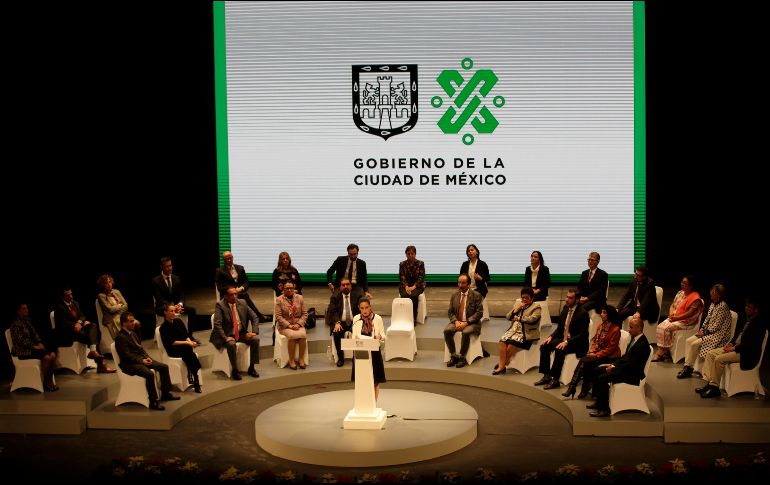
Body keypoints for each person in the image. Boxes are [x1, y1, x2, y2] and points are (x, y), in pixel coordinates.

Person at [697, 296, 767, 398]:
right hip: (736, 348)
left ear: (756, 310)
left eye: (749, 307)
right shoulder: (746, 319)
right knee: (710, 354)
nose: (746, 308)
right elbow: (738, 335)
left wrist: (733, 348)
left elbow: (749, 344)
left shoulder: (758, 324)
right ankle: (709, 383)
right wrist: (731, 343)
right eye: (746, 306)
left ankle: (714, 388)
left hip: (745, 354)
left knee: (719, 359)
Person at [586, 316, 651, 417]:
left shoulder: (642, 344)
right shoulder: (635, 339)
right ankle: (599, 402)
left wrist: (614, 368)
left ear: (639, 328)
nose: (629, 330)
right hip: (626, 369)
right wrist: (613, 364)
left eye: (631, 327)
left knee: (602, 378)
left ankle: (604, 409)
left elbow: (632, 365)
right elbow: (625, 357)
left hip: (632, 375)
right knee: (596, 370)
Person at [114, 312, 179, 410]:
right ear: (123, 323)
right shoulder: (120, 337)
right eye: (131, 321)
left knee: (163, 367)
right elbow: (126, 355)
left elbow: (140, 349)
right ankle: (153, 401)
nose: (134, 323)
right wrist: (142, 361)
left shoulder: (133, 333)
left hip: (140, 359)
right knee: (149, 374)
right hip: (129, 365)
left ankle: (165, 393)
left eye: (133, 320)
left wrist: (147, 357)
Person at [562, 305, 621, 399]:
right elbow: (595, 341)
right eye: (601, 312)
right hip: (598, 353)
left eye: (604, 312)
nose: (601, 314)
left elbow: (611, 349)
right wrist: (592, 351)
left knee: (586, 362)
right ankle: (577, 389)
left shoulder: (615, 329)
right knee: (584, 361)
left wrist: (596, 355)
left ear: (610, 315)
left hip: (610, 357)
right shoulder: (600, 326)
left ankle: (576, 388)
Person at [534, 288, 589, 389]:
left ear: (577, 300)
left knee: (559, 349)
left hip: (576, 342)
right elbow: (559, 328)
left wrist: (567, 342)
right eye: (567, 297)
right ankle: (546, 375)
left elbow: (582, 334)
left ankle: (555, 379)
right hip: (563, 338)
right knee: (544, 346)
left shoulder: (583, 313)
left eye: (570, 298)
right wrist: (550, 337)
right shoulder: (565, 309)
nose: (567, 299)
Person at [54, 286, 115, 373]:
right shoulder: (59, 307)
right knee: (93, 335)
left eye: (71, 294)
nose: (71, 297)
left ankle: (93, 351)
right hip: (68, 332)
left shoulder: (75, 303)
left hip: (79, 328)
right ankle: (100, 365)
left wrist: (80, 322)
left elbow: (82, 316)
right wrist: (76, 325)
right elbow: (63, 324)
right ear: (62, 297)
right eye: (68, 295)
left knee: (92, 325)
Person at [677, 284, 733, 379]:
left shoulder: (723, 306)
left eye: (713, 292)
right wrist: (702, 329)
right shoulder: (712, 304)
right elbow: (707, 319)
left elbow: (717, 326)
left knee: (694, 344)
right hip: (708, 332)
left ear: (719, 295)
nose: (711, 293)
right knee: (689, 341)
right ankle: (688, 367)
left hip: (718, 335)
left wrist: (705, 332)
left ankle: (688, 369)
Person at [211, 286, 261, 380]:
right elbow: (217, 325)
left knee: (255, 340)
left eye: (235, 294)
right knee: (231, 344)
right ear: (225, 296)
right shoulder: (220, 305)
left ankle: (251, 367)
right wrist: (225, 338)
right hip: (227, 334)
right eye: (231, 295)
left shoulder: (242, 302)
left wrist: (254, 332)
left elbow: (255, 317)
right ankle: (235, 369)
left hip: (240, 333)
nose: (234, 296)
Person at [653, 275, 704, 362]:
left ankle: (661, 353)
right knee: (660, 326)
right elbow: (673, 305)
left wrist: (676, 318)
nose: (682, 284)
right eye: (682, 282)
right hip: (675, 318)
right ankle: (665, 352)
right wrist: (671, 314)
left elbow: (689, 314)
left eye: (685, 283)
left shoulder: (695, 298)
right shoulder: (680, 293)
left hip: (686, 322)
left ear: (691, 285)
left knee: (666, 328)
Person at [10, 303, 58, 391]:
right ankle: (46, 382)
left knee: (53, 355)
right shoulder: (15, 324)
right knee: (47, 357)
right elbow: (20, 342)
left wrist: (39, 343)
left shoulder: (27, 320)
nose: (26, 310)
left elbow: (35, 334)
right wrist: (34, 346)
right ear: (18, 311)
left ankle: (50, 380)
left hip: (31, 348)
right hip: (22, 351)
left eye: (26, 308)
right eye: (24, 309)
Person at [493, 287, 541, 375]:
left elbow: (532, 319)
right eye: (523, 297)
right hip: (513, 331)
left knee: (511, 344)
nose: (524, 299)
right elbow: (508, 317)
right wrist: (517, 309)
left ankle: (501, 365)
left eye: (527, 297)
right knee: (502, 342)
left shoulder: (536, 307)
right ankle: (502, 365)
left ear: (532, 298)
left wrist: (520, 318)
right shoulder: (518, 304)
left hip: (526, 333)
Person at [159, 304, 202, 393]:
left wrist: (190, 342)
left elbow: (186, 335)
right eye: (171, 311)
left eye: (174, 311)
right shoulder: (163, 328)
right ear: (165, 313)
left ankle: (194, 377)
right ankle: (195, 377)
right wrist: (188, 343)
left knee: (189, 352)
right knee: (189, 352)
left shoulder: (178, 321)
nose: (174, 313)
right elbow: (172, 342)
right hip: (173, 349)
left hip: (184, 347)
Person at [152, 257, 199, 337]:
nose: (169, 268)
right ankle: (170, 337)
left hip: (177, 306)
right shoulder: (156, 281)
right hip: (163, 307)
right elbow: (159, 298)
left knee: (192, 311)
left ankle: (189, 336)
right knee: (168, 312)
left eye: (170, 266)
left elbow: (182, 294)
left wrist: (180, 304)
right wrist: (171, 307)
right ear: (162, 267)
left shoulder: (176, 278)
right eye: (167, 266)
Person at [444, 273, 484, 368]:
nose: (460, 285)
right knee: (447, 330)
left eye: (463, 283)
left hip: (472, 323)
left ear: (469, 284)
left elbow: (479, 313)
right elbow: (450, 312)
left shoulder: (476, 295)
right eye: (459, 283)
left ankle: (462, 357)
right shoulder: (454, 295)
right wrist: (456, 321)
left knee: (465, 332)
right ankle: (453, 355)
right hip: (457, 321)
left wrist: (466, 323)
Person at [216, 250, 268, 322]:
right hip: (228, 295)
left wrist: (241, 288)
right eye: (227, 259)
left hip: (240, 292)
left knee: (244, 295)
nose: (229, 260)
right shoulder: (220, 271)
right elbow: (220, 287)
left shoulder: (240, 268)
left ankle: (256, 317)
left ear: (232, 257)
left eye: (230, 258)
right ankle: (258, 316)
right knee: (244, 296)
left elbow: (246, 282)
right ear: (224, 260)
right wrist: (233, 290)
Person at [351, 298, 386, 400]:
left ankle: (374, 404)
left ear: (370, 307)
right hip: (360, 352)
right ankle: (363, 404)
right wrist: (355, 339)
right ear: (359, 309)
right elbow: (354, 335)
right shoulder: (356, 319)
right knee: (361, 381)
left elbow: (383, 335)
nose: (365, 310)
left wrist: (380, 337)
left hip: (374, 352)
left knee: (375, 381)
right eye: (362, 308)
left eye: (366, 307)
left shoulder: (378, 318)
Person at [327, 277, 361, 367]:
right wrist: (337, 322)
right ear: (340, 287)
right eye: (343, 285)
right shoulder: (335, 297)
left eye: (347, 284)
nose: (345, 286)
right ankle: (340, 358)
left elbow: (362, 309)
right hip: (340, 322)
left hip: (355, 322)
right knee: (337, 333)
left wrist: (358, 323)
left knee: (360, 333)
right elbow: (332, 311)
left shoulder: (358, 296)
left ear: (351, 286)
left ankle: (356, 356)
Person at [275, 281, 308, 370]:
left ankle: (301, 359)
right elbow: (278, 316)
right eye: (287, 288)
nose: (289, 290)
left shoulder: (300, 298)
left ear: (294, 289)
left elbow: (305, 314)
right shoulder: (279, 299)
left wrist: (298, 324)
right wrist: (289, 326)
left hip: (298, 324)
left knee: (302, 335)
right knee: (293, 336)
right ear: (283, 289)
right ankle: (291, 360)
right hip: (284, 325)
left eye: (291, 288)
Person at [96, 274, 128, 339]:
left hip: (121, 315)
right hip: (110, 319)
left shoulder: (116, 291)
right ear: (102, 285)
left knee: (134, 322)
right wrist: (119, 305)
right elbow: (110, 310)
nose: (109, 284)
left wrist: (118, 311)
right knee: (118, 321)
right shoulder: (101, 296)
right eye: (106, 283)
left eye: (110, 282)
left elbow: (126, 305)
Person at [399, 245, 426, 322]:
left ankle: (413, 318)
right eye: (408, 253)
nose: (410, 255)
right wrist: (406, 286)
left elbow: (421, 277)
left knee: (413, 296)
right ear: (406, 254)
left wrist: (413, 287)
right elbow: (402, 276)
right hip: (405, 285)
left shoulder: (420, 263)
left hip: (418, 285)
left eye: (412, 253)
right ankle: (404, 317)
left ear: (415, 254)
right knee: (404, 295)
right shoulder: (402, 264)